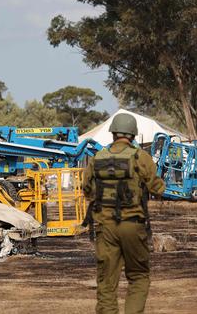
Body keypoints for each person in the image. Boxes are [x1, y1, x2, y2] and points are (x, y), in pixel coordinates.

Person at [82, 113, 165, 314]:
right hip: (133, 225)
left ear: (112, 134)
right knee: (138, 276)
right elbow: (158, 189)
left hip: (105, 227)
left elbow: (87, 190)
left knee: (106, 282)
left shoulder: (96, 158)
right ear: (133, 135)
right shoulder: (140, 157)